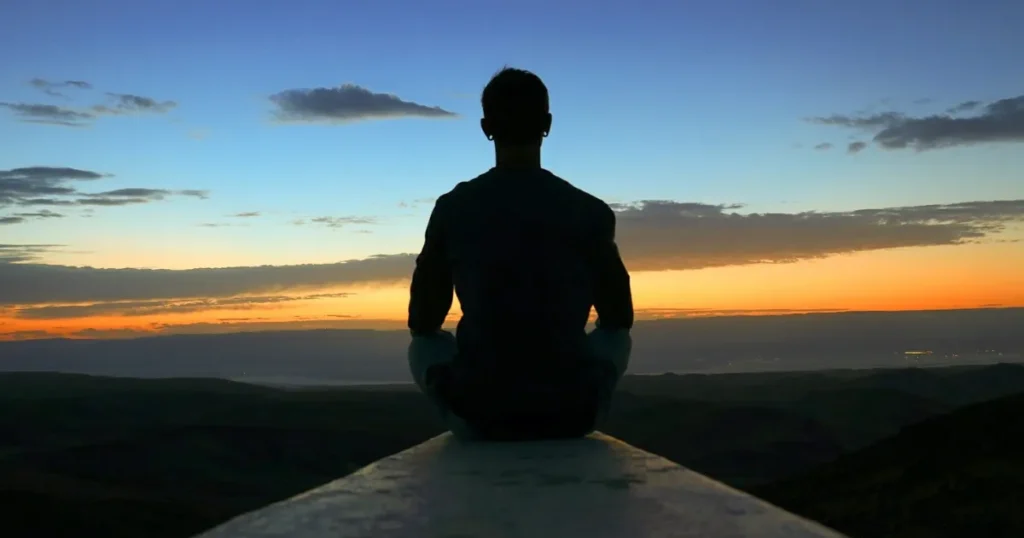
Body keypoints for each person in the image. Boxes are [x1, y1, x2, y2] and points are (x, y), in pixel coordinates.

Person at [407, 67, 634, 441]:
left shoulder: (453, 208)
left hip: (480, 416)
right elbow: (618, 316)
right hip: (573, 414)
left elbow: (422, 321)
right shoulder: (590, 211)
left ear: (486, 128)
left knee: (425, 345)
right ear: (547, 124)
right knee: (614, 336)